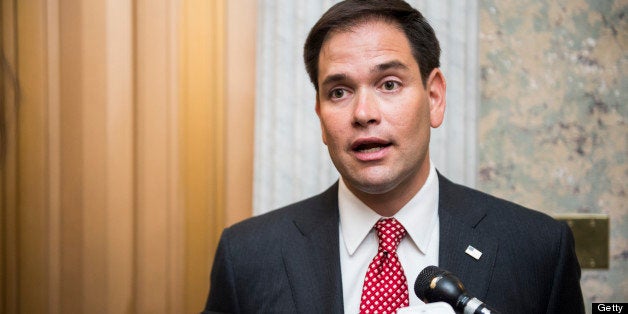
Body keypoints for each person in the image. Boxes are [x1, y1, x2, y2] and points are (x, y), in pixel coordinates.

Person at [202, 0, 585, 313]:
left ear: (434, 97)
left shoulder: (538, 249)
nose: (363, 112)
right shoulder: (247, 257)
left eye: (389, 84)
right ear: (319, 116)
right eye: (338, 91)